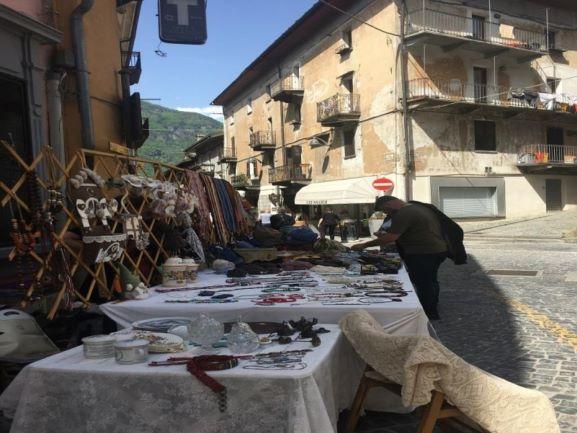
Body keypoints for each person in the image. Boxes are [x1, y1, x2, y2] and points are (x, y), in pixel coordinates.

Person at [352, 196, 448, 320]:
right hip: (436, 249)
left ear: (389, 204)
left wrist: (364, 245)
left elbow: (391, 238)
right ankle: (432, 305)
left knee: (423, 282)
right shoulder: (416, 207)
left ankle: (429, 312)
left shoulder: (404, 213)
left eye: (386, 210)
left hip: (422, 251)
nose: (387, 213)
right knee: (431, 279)